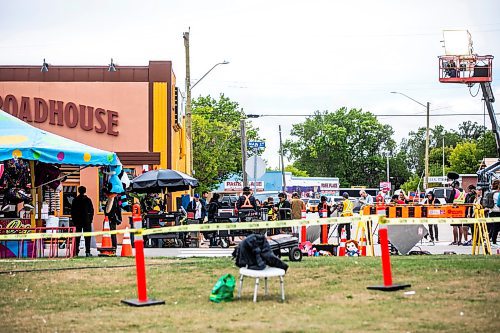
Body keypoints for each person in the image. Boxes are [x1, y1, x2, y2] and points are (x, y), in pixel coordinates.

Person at [71, 186, 94, 257]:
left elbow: (72, 211)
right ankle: (87, 251)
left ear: (78, 191)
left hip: (77, 221)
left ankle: (76, 251)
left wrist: (74, 220)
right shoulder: (88, 200)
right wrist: (90, 220)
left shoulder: (75, 200)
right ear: (85, 191)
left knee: (77, 237)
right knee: (87, 237)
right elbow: (91, 211)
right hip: (86, 221)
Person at [447, 180, 465, 245]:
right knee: (460, 226)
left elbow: (450, 201)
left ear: (455, 185)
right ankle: (460, 241)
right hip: (461, 209)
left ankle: (455, 241)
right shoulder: (463, 191)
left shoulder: (454, 191)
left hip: (454, 209)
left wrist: (446, 199)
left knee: (454, 226)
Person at [486, 180, 500, 245]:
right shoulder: (498, 194)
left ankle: (489, 239)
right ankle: (494, 241)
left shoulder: (490, 193)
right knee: (496, 228)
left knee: (492, 227)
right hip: (497, 211)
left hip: (491, 211)